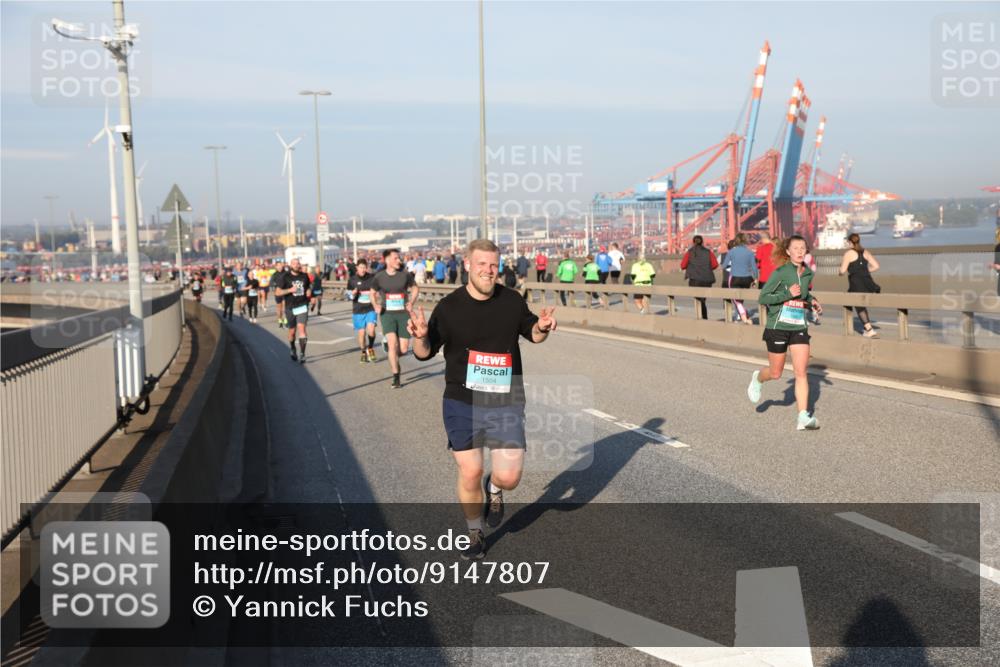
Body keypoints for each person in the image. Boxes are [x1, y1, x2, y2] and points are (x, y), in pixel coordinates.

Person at [407, 239, 557, 560]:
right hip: (462, 401)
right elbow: (424, 352)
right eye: (482, 265)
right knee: (470, 470)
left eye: (494, 265)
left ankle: (496, 487)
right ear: (467, 265)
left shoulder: (511, 301)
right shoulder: (449, 308)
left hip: (506, 401)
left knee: (510, 477)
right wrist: (419, 337)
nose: (489, 271)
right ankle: (474, 531)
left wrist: (543, 327)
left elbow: (533, 333)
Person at [747, 235, 822, 430]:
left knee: (801, 372)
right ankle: (758, 378)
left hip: (798, 327)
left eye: (803, 248)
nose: (800, 251)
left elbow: (803, 294)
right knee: (776, 373)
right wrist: (787, 294)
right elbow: (764, 297)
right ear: (788, 252)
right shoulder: (780, 272)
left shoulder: (807, 273)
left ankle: (803, 416)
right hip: (778, 327)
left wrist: (812, 300)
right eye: (795, 248)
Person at [370, 248, 419, 388]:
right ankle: (396, 376)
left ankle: (393, 356)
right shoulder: (379, 277)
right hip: (387, 314)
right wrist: (375, 305)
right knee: (392, 345)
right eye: (396, 258)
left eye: (399, 258)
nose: (399, 260)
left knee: (403, 350)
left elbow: (415, 288)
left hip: (403, 314)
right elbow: (372, 293)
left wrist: (411, 302)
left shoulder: (405, 275)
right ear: (387, 260)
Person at [839, 232, 881, 338]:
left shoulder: (849, 253)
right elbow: (876, 266)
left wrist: (840, 272)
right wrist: (864, 271)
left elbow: (843, 270)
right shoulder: (865, 252)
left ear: (850, 242)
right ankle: (865, 328)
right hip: (868, 282)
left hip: (856, 283)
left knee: (858, 305)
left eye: (847, 242)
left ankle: (869, 330)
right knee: (854, 303)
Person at [274, 258, 312, 363]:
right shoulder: (285, 277)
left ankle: (302, 354)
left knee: (302, 329)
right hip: (290, 307)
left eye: (298, 263)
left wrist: (309, 292)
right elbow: (277, 292)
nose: (296, 265)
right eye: (294, 263)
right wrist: (290, 290)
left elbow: (308, 287)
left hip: (302, 306)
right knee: (292, 332)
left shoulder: (304, 276)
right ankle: (292, 347)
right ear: (291, 265)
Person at [722, 233, 759, 324]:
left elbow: (724, 266)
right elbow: (754, 268)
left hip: (735, 278)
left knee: (736, 300)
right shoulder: (750, 252)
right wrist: (755, 279)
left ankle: (744, 318)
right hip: (747, 279)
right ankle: (742, 313)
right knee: (740, 298)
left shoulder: (731, 252)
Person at [348, 258, 378, 362]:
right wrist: (352, 294)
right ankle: (363, 352)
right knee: (361, 334)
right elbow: (348, 295)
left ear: (367, 268)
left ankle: (370, 348)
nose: (363, 269)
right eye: (361, 267)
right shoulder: (352, 280)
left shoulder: (372, 278)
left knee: (371, 330)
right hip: (358, 310)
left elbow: (377, 290)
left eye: (364, 267)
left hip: (370, 308)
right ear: (357, 268)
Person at [681, 235, 718, 319]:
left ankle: (701, 318)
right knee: (702, 299)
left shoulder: (690, 252)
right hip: (707, 279)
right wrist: (707, 268)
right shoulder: (708, 252)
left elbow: (683, 265)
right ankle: (703, 316)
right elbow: (715, 264)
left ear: (693, 242)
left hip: (695, 280)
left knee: (698, 299)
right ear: (702, 242)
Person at [273, 261, 288, 328]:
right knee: (279, 308)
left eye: (281, 265)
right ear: (276, 267)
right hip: (278, 293)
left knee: (285, 307)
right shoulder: (274, 275)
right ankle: (280, 320)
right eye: (278, 266)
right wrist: (275, 289)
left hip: (285, 292)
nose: (280, 267)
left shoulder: (286, 273)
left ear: (283, 266)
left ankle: (285, 320)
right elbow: (272, 284)